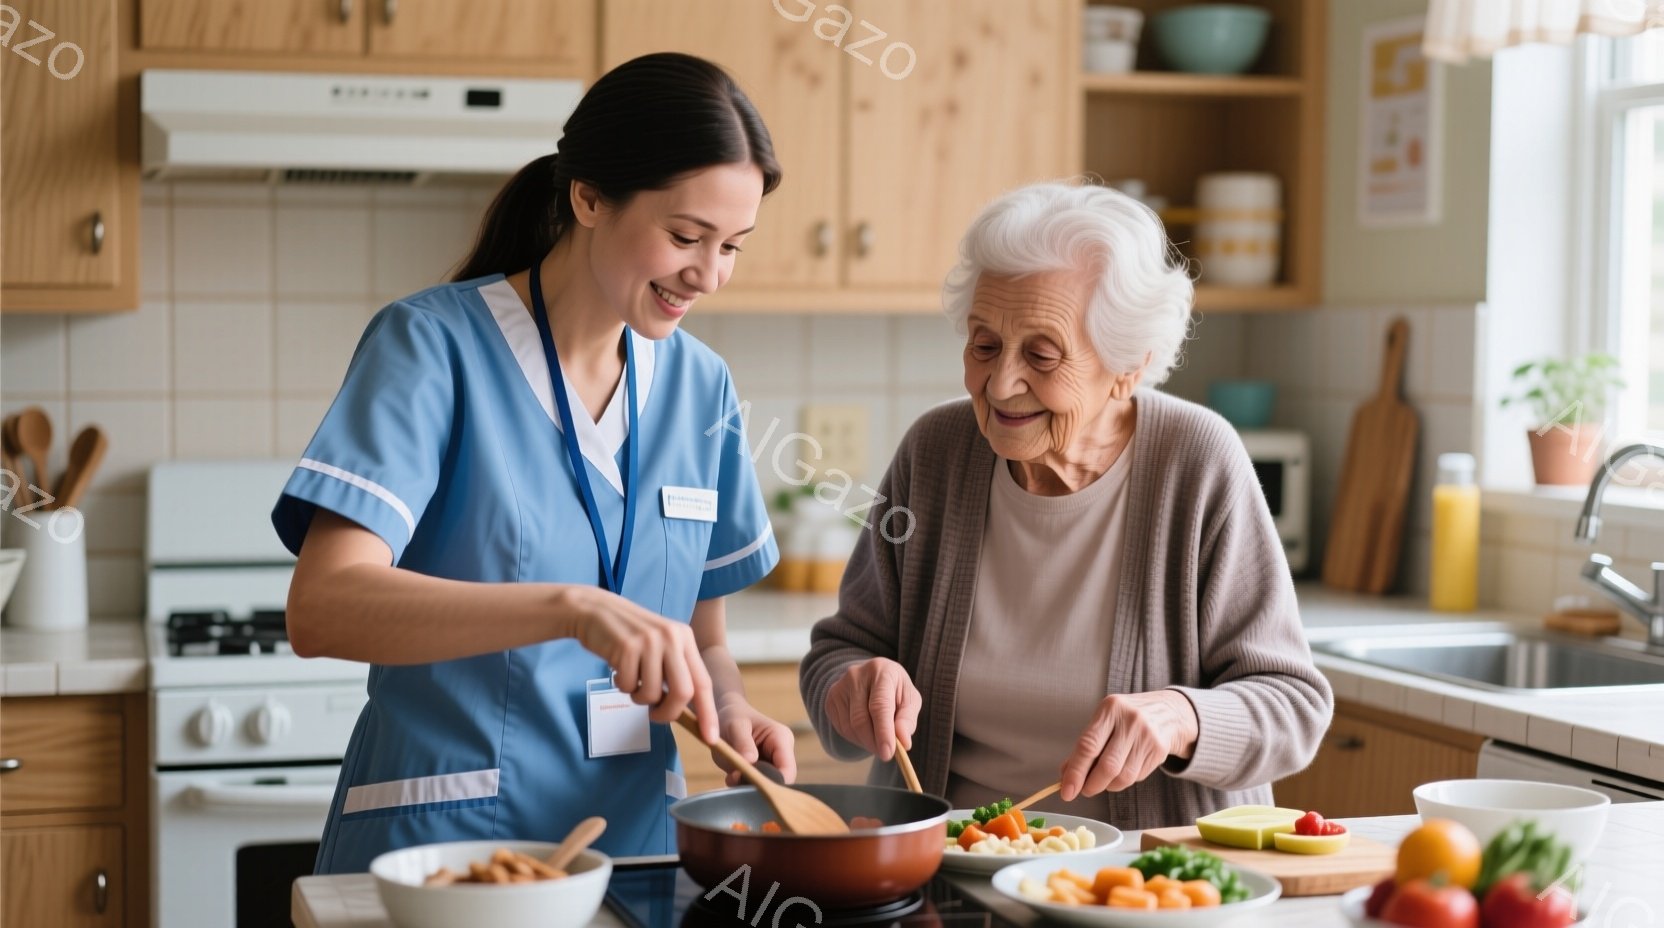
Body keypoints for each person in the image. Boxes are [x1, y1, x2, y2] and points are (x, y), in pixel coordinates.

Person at [272, 53, 792, 873]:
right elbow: (322, 608)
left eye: (733, 245)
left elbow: (705, 637)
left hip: (631, 853)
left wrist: (730, 708)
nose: (709, 274)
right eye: (686, 236)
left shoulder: (702, 387)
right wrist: (571, 608)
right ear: (588, 197)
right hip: (442, 852)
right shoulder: (431, 348)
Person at [799, 181, 1333, 830]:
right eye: (985, 344)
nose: (1000, 383)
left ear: (1129, 366)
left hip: (1143, 887)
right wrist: (853, 684)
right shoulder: (936, 452)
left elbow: (1294, 706)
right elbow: (840, 652)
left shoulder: (1196, 461)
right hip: (953, 865)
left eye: (1042, 355)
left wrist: (1182, 717)